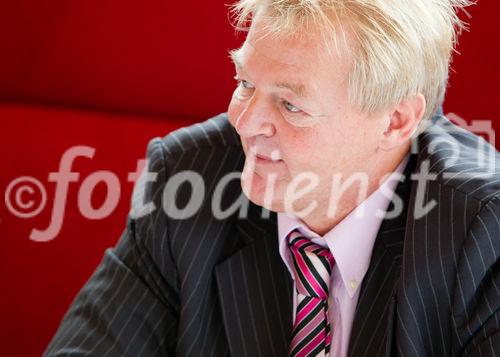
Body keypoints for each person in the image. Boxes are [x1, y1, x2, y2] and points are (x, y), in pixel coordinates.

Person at [45, 0, 500, 356]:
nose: (242, 121)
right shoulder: (185, 179)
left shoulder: (484, 229)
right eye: (245, 83)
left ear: (396, 121)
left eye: (290, 105)